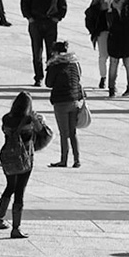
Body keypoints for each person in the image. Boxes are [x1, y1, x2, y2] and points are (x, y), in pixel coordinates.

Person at [0, 90, 51, 239]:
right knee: (20, 190)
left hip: (8, 157)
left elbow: (6, 131)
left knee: (10, 187)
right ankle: (16, 228)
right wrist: (38, 120)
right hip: (24, 158)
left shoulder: (6, 118)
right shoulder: (29, 121)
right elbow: (44, 134)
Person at [22, 0, 68, 87]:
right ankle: (38, 77)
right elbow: (25, 2)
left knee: (51, 53)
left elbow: (62, 4)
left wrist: (58, 17)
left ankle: (51, 77)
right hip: (36, 22)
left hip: (50, 23)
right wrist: (29, 17)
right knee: (37, 52)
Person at [44, 40, 85, 168]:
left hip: (61, 102)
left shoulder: (54, 65)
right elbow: (78, 78)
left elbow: (49, 83)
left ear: (55, 52)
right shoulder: (74, 63)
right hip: (74, 100)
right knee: (73, 132)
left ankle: (64, 160)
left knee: (64, 132)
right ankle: (77, 160)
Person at [84, 0, 121, 88]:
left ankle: (113, 80)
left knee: (115, 57)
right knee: (103, 55)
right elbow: (90, 12)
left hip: (117, 28)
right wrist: (101, 8)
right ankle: (103, 77)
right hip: (103, 27)